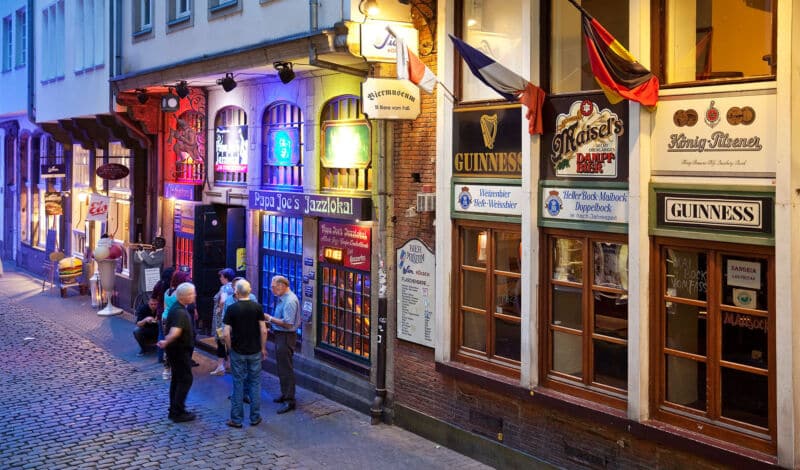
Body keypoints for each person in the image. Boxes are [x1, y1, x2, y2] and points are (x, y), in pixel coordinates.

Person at [223, 279, 267, 428]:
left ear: (237, 292)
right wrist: (263, 347)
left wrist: (229, 348)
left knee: (238, 383)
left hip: (238, 350)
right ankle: (255, 417)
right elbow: (263, 330)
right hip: (254, 350)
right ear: (250, 291)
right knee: (255, 383)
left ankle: (236, 419)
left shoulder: (232, 309)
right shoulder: (257, 308)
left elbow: (226, 333)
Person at [157, 282, 197, 423]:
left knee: (177, 379)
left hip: (176, 350)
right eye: (192, 294)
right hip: (179, 351)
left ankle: (174, 409)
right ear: (184, 296)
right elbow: (176, 331)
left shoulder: (176, 307)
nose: (194, 296)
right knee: (186, 379)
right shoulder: (180, 312)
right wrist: (166, 341)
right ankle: (177, 411)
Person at [265, 275, 300, 414]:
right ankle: (285, 394)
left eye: (273, 287)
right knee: (282, 367)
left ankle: (289, 400)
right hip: (280, 336)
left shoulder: (290, 301)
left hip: (286, 337)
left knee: (286, 368)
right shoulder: (283, 299)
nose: (272, 289)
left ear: (281, 285)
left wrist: (270, 319)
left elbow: (288, 323)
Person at [211, 268, 236, 376]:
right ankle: (229, 364)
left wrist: (220, 309)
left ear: (225, 277)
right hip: (231, 320)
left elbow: (223, 300)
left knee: (221, 341)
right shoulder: (235, 287)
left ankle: (220, 366)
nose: (220, 279)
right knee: (228, 341)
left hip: (221, 321)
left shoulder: (225, 288)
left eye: (221, 277)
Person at [152, 266, 175, 365]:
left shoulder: (159, 284)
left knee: (161, 335)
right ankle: (169, 358)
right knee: (170, 335)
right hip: (170, 313)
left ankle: (160, 357)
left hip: (161, 312)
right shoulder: (173, 287)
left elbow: (153, 297)